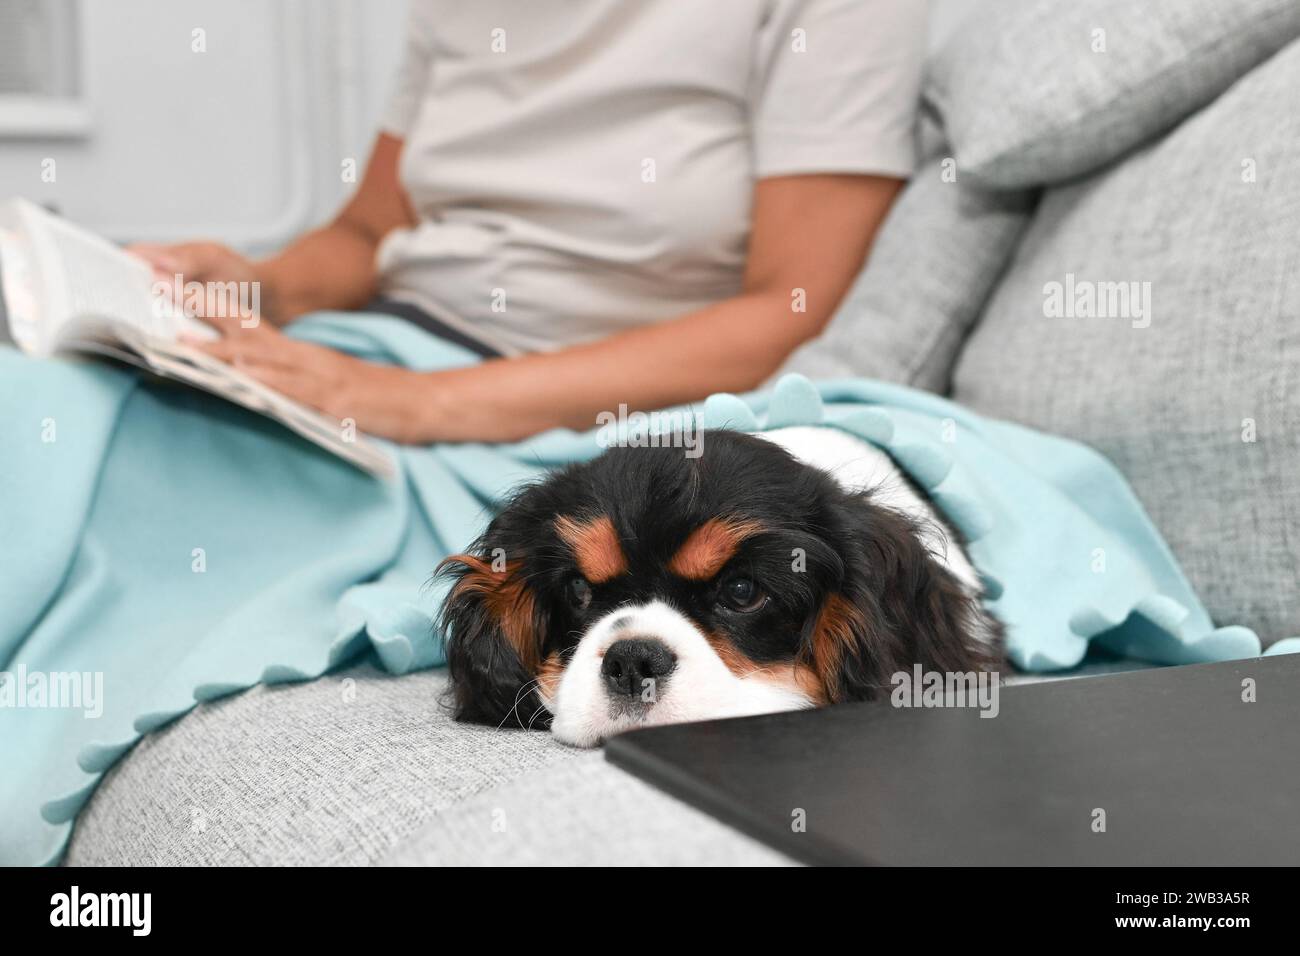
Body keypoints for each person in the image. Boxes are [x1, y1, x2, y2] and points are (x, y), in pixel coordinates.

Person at [133, 0, 927, 444]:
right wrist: (259, 286)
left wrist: (418, 403)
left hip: (540, 414)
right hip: (381, 346)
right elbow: (366, 236)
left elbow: (796, 311)